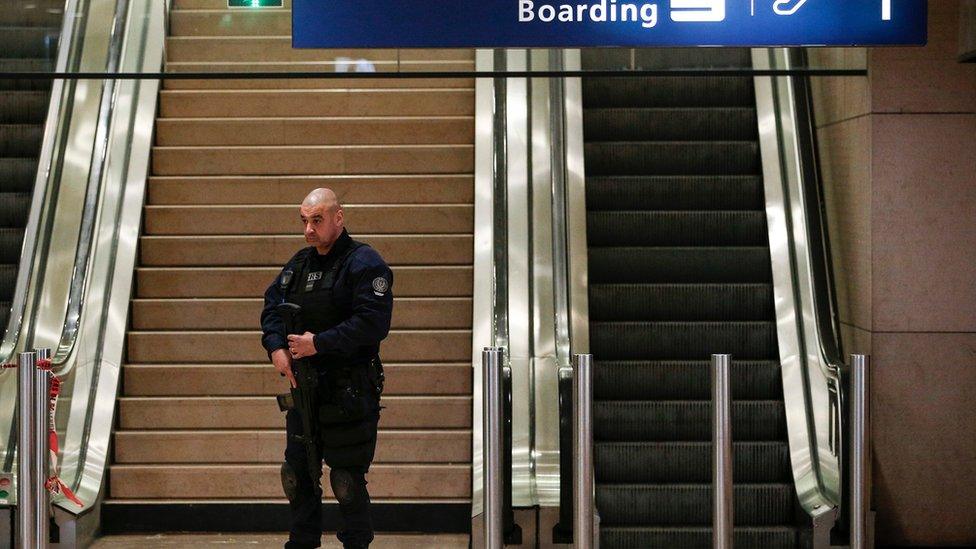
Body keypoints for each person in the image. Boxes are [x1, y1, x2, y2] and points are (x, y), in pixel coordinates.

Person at [260, 188, 393, 549]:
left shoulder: (364, 263)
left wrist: (318, 343)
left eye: (316, 220)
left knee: (346, 480)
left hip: (348, 389)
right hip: (305, 390)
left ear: (338, 217)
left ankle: (356, 543)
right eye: (304, 221)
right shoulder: (298, 265)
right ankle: (302, 542)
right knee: (298, 475)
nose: (308, 230)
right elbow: (272, 306)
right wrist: (275, 347)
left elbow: (372, 323)